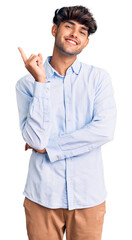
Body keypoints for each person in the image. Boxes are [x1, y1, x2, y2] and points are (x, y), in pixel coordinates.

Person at [15, 5, 117, 240]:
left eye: (82, 31)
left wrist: (50, 148)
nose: (75, 34)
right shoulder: (26, 84)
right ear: (54, 30)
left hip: (88, 198)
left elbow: (104, 130)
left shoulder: (98, 79)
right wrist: (41, 82)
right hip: (42, 196)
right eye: (69, 26)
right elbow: (34, 140)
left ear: (86, 42)